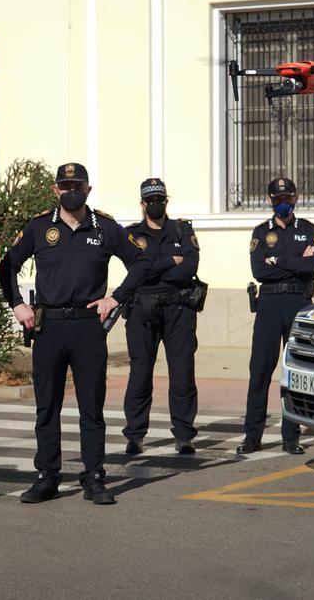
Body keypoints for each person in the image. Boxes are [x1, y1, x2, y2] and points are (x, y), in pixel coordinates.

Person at [0, 162, 152, 505]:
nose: (71, 192)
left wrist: (115, 298)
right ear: (55, 191)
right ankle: (47, 476)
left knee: (91, 407)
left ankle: (94, 476)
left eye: (77, 186)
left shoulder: (105, 227)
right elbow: (6, 265)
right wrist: (17, 306)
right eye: (65, 187)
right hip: (48, 326)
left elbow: (142, 261)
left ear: (88, 189)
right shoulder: (39, 227)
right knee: (47, 406)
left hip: (87, 326)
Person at [237, 177, 314, 456]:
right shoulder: (262, 232)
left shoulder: (308, 230)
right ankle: (253, 436)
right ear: (269, 201)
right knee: (259, 370)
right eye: (278, 200)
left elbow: (312, 266)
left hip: (298, 301)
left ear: (296, 198)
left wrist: (277, 261)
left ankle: (291, 436)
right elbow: (259, 271)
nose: (283, 204)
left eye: (287, 199)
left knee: (295, 372)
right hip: (269, 304)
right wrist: (296, 262)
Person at [121, 178, 200, 455]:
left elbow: (189, 267)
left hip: (178, 309)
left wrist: (152, 267)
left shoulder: (182, 229)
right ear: (142, 204)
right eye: (150, 200)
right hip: (142, 310)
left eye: (160, 200)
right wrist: (169, 262)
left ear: (166, 201)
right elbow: (136, 270)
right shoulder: (131, 235)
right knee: (140, 373)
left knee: (182, 373)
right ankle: (135, 435)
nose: (155, 205)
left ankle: (184, 435)